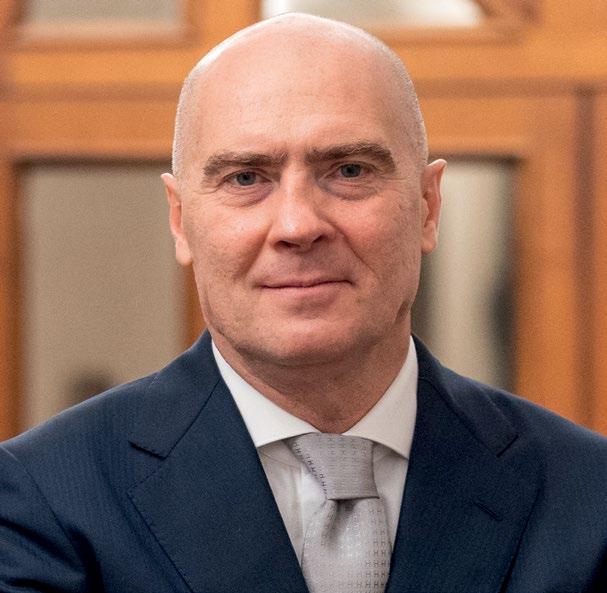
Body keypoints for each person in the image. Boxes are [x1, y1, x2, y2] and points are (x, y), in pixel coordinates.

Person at [1, 13, 606, 593]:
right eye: (245, 178)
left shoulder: (588, 497)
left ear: (427, 206)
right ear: (181, 221)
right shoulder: (43, 502)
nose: (297, 225)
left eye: (349, 170)